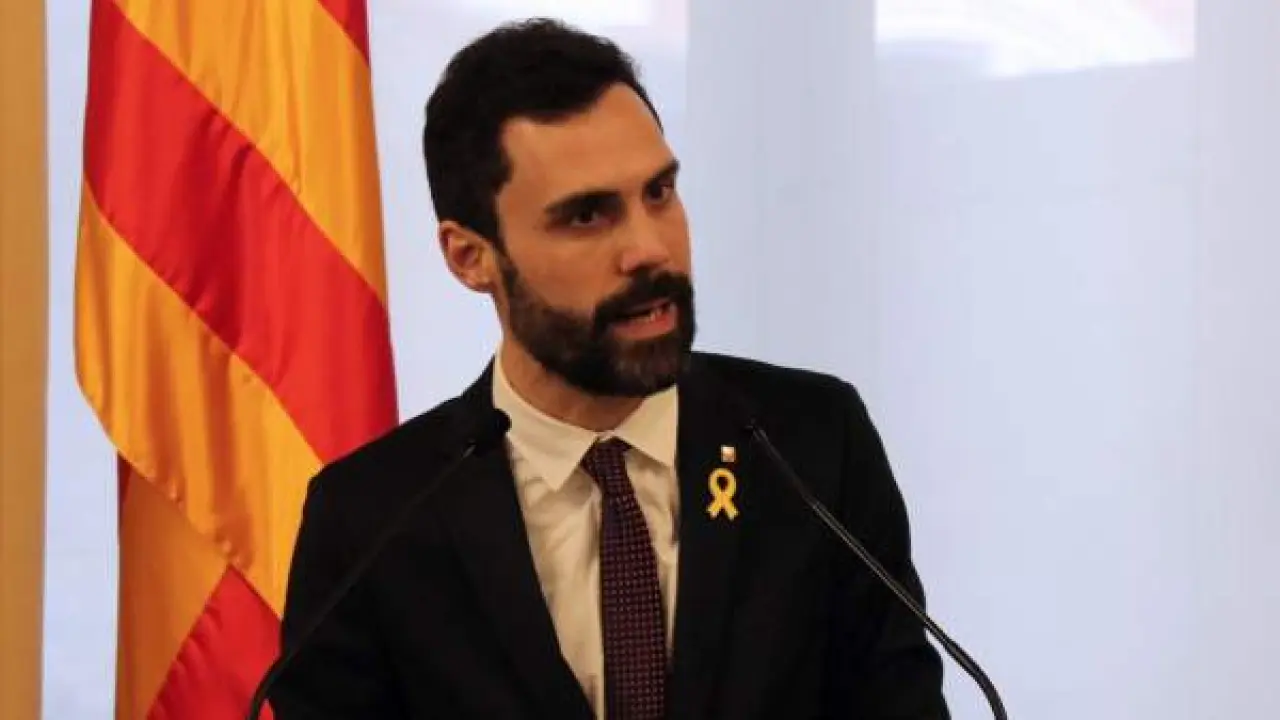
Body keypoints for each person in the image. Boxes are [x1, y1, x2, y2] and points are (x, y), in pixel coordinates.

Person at [271, 17, 949, 720]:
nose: (649, 249)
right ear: (471, 258)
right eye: (587, 216)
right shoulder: (371, 522)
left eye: (659, 193)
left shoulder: (812, 448)